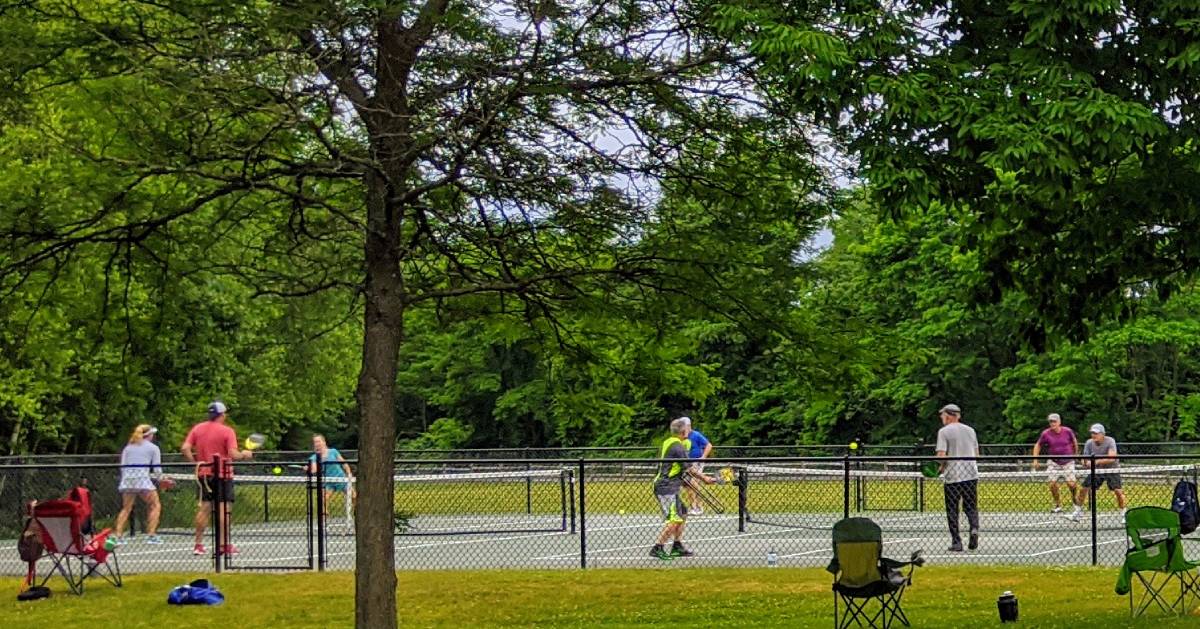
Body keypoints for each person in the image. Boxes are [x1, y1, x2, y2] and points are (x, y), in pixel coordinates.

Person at [182, 401, 253, 556]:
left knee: (204, 508)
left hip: (204, 474)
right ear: (222, 415)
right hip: (222, 474)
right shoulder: (227, 431)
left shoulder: (197, 428)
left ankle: (198, 545)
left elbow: (185, 448)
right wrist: (244, 455)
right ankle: (223, 545)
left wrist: (195, 463)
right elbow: (233, 454)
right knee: (224, 510)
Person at [650, 417, 714, 560]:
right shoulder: (678, 446)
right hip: (665, 487)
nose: (689, 430)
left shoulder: (668, 442)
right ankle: (657, 547)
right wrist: (705, 478)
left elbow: (679, 466)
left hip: (669, 485)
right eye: (687, 428)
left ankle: (677, 546)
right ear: (683, 430)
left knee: (683, 513)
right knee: (675, 518)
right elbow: (689, 467)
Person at [936, 403, 980, 552]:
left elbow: (942, 454)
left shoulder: (944, 432)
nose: (942, 418)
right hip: (971, 474)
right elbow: (976, 453)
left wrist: (941, 467)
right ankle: (974, 527)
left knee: (952, 509)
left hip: (953, 476)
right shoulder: (971, 430)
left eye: (943, 415)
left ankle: (957, 542)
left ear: (948, 416)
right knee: (971, 506)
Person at [113, 424, 164, 544]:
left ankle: (118, 535)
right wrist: (161, 479)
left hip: (128, 480)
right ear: (149, 435)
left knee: (126, 508)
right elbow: (157, 468)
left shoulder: (128, 448)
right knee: (155, 505)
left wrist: (126, 478)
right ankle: (151, 535)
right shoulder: (153, 448)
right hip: (142, 480)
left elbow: (123, 465)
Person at [1030, 413, 1082, 517]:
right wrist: (1035, 460)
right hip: (1054, 462)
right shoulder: (1046, 433)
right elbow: (1038, 445)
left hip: (1068, 461)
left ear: (1059, 422)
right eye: (1050, 422)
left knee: (1071, 484)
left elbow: (1074, 442)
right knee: (1052, 484)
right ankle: (1058, 505)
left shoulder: (1067, 431)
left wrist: (1075, 455)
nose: (1052, 423)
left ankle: (1074, 500)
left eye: (1054, 421)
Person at [1078, 423, 1127, 523]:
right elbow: (1084, 458)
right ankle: (1078, 512)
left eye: (1096, 433)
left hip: (1111, 469)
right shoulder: (1089, 443)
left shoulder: (1110, 441)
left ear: (1102, 434)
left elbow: (1112, 457)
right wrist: (1085, 462)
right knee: (1083, 489)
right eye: (1092, 433)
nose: (1094, 435)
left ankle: (1124, 514)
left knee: (1118, 491)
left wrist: (1097, 461)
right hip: (1097, 470)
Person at [308, 434, 355, 518]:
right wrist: (308, 468)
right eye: (315, 442)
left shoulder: (333, 451)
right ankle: (324, 518)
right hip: (328, 482)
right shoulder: (314, 457)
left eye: (319, 441)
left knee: (354, 496)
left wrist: (349, 473)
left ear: (324, 442)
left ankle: (357, 512)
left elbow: (343, 463)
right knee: (322, 499)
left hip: (341, 478)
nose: (317, 443)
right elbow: (314, 470)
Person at [681, 417, 713, 515]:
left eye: (684, 426)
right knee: (688, 486)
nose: (682, 428)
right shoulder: (681, 437)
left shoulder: (696, 435)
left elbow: (709, 445)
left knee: (694, 483)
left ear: (689, 426)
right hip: (686, 464)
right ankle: (694, 507)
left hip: (696, 462)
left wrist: (703, 457)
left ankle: (698, 507)